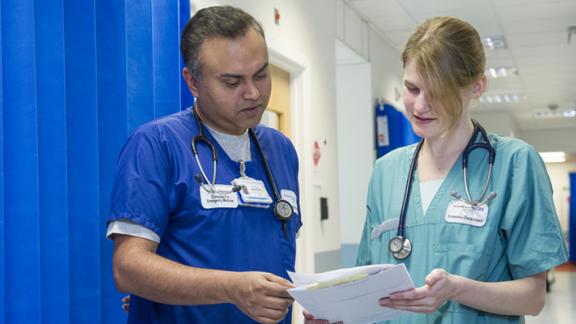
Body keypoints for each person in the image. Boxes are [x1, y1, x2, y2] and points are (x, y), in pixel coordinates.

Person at [306, 16, 567, 323]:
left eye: (437, 92)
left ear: (476, 87)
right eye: (412, 88)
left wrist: (456, 289)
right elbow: (370, 286)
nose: (419, 106)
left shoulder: (515, 164)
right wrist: (337, 313)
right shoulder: (386, 172)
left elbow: (533, 298)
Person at [107, 5, 302, 324]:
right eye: (232, 82)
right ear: (193, 82)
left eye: (261, 74)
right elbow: (127, 268)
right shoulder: (157, 145)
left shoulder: (280, 150)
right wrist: (232, 289)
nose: (253, 93)